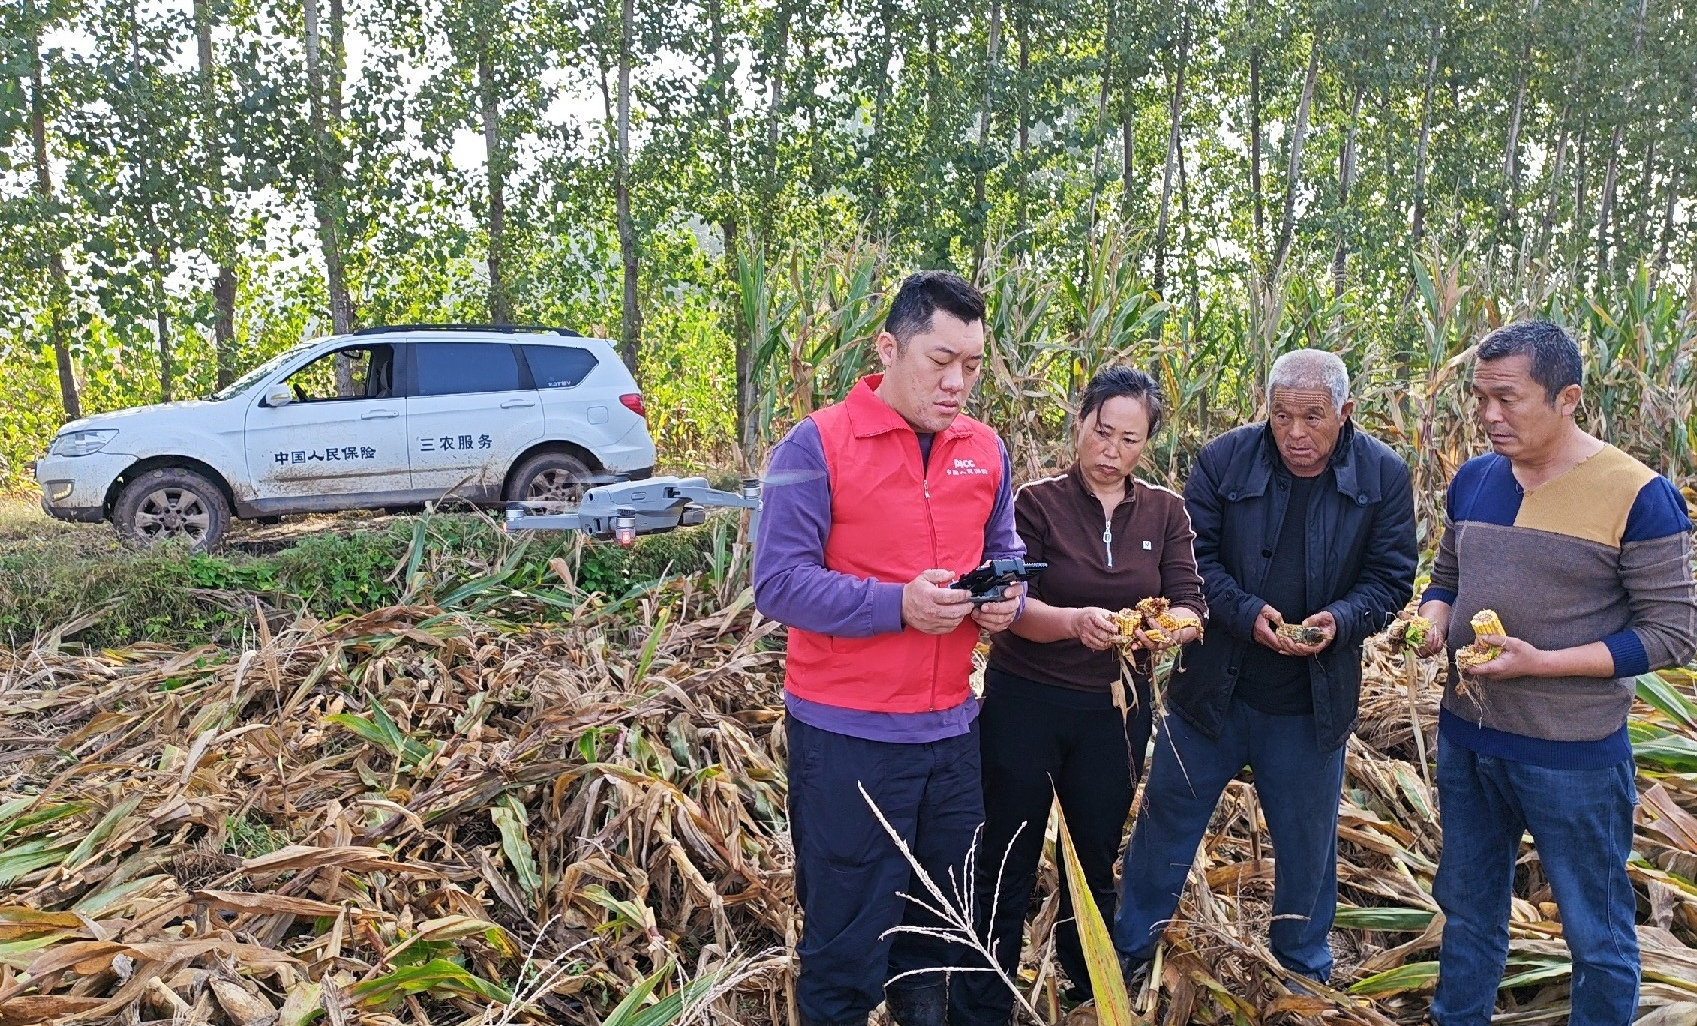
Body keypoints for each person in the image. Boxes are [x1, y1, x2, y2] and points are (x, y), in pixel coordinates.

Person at [753, 270, 1025, 1026]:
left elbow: (1004, 550)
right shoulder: (816, 445)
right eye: (940, 361)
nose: (957, 383)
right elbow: (777, 584)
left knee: (938, 936)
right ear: (888, 348)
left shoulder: (984, 450)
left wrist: (1007, 600)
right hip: (847, 738)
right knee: (844, 944)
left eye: (971, 366)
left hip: (949, 734)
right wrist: (895, 606)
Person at [1414, 322, 1697, 1026]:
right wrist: (1429, 621)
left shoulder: (1637, 494)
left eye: (1506, 399)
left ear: (1566, 397)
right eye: (1479, 398)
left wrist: (1544, 664)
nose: (1487, 416)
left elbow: (1673, 633)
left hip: (1571, 756)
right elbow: (1447, 575)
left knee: (1594, 932)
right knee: (1468, 911)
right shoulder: (1475, 479)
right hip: (1468, 741)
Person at [1111, 349, 1417, 985]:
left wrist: (1340, 620)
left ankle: (1301, 974)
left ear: (1346, 413)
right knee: (1166, 825)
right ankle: (1129, 957)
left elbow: (1391, 579)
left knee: (1307, 851)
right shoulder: (1224, 461)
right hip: (1211, 695)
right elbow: (1194, 564)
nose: (1296, 434)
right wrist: (1248, 614)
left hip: (1311, 704)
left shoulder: (1383, 476)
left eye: (1312, 417)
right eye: (1281, 417)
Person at [950, 366, 1205, 1026]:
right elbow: (1011, 603)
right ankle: (982, 999)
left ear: (1146, 444)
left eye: (1128, 438)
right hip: (1025, 704)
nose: (1110, 450)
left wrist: (1157, 627)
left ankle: (1083, 988)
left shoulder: (1164, 511)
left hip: (1114, 714)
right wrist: (1072, 622)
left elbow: (1189, 606)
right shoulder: (1032, 503)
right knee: (1004, 856)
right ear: (1080, 422)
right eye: (1100, 431)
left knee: (1091, 859)